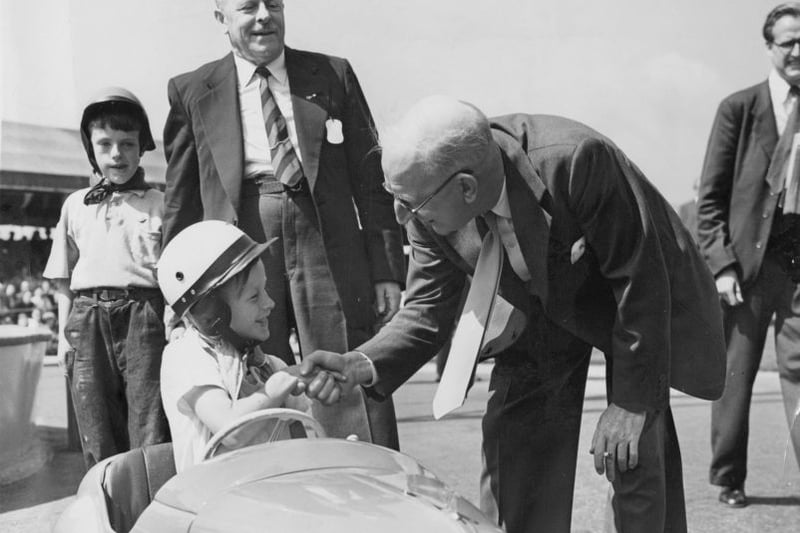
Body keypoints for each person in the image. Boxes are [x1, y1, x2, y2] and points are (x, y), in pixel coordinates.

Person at [302, 96, 727, 533]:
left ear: (466, 188)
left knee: (633, 456)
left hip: (632, 308)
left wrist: (633, 403)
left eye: (407, 205)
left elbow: (641, 282)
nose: (398, 216)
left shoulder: (576, 159)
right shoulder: (425, 192)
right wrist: (361, 361)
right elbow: (427, 308)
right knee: (516, 464)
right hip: (538, 313)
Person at [161, 0, 405, 447]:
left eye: (272, 3)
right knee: (259, 376)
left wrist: (387, 269)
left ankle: (365, 486)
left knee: (339, 363)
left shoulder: (333, 74)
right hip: (239, 249)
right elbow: (181, 201)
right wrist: (177, 297)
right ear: (222, 19)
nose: (262, 16)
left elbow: (372, 179)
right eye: (246, 7)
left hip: (324, 240)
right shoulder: (191, 90)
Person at [697, 2, 800, 508]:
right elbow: (710, 199)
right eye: (789, 42)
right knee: (735, 375)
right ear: (770, 47)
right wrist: (721, 265)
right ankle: (728, 479)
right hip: (745, 270)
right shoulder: (739, 109)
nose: (799, 50)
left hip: (798, 268)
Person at [43, 87, 170, 468]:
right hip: (87, 318)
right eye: (105, 144)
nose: (117, 154)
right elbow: (62, 278)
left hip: (145, 317)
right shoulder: (75, 206)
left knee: (148, 422)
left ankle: (148, 516)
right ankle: (106, 516)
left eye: (128, 144)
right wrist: (63, 338)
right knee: (95, 424)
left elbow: (175, 280)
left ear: (142, 147)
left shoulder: (159, 203)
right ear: (92, 150)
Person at [157, 221, 338, 472]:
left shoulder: (269, 366)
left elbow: (302, 434)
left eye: (265, 291)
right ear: (213, 310)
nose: (270, 303)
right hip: (214, 502)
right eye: (254, 297)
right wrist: (273, 391)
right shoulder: (186, 356)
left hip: (273, 499)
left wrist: (311, 384)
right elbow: (230, 431)